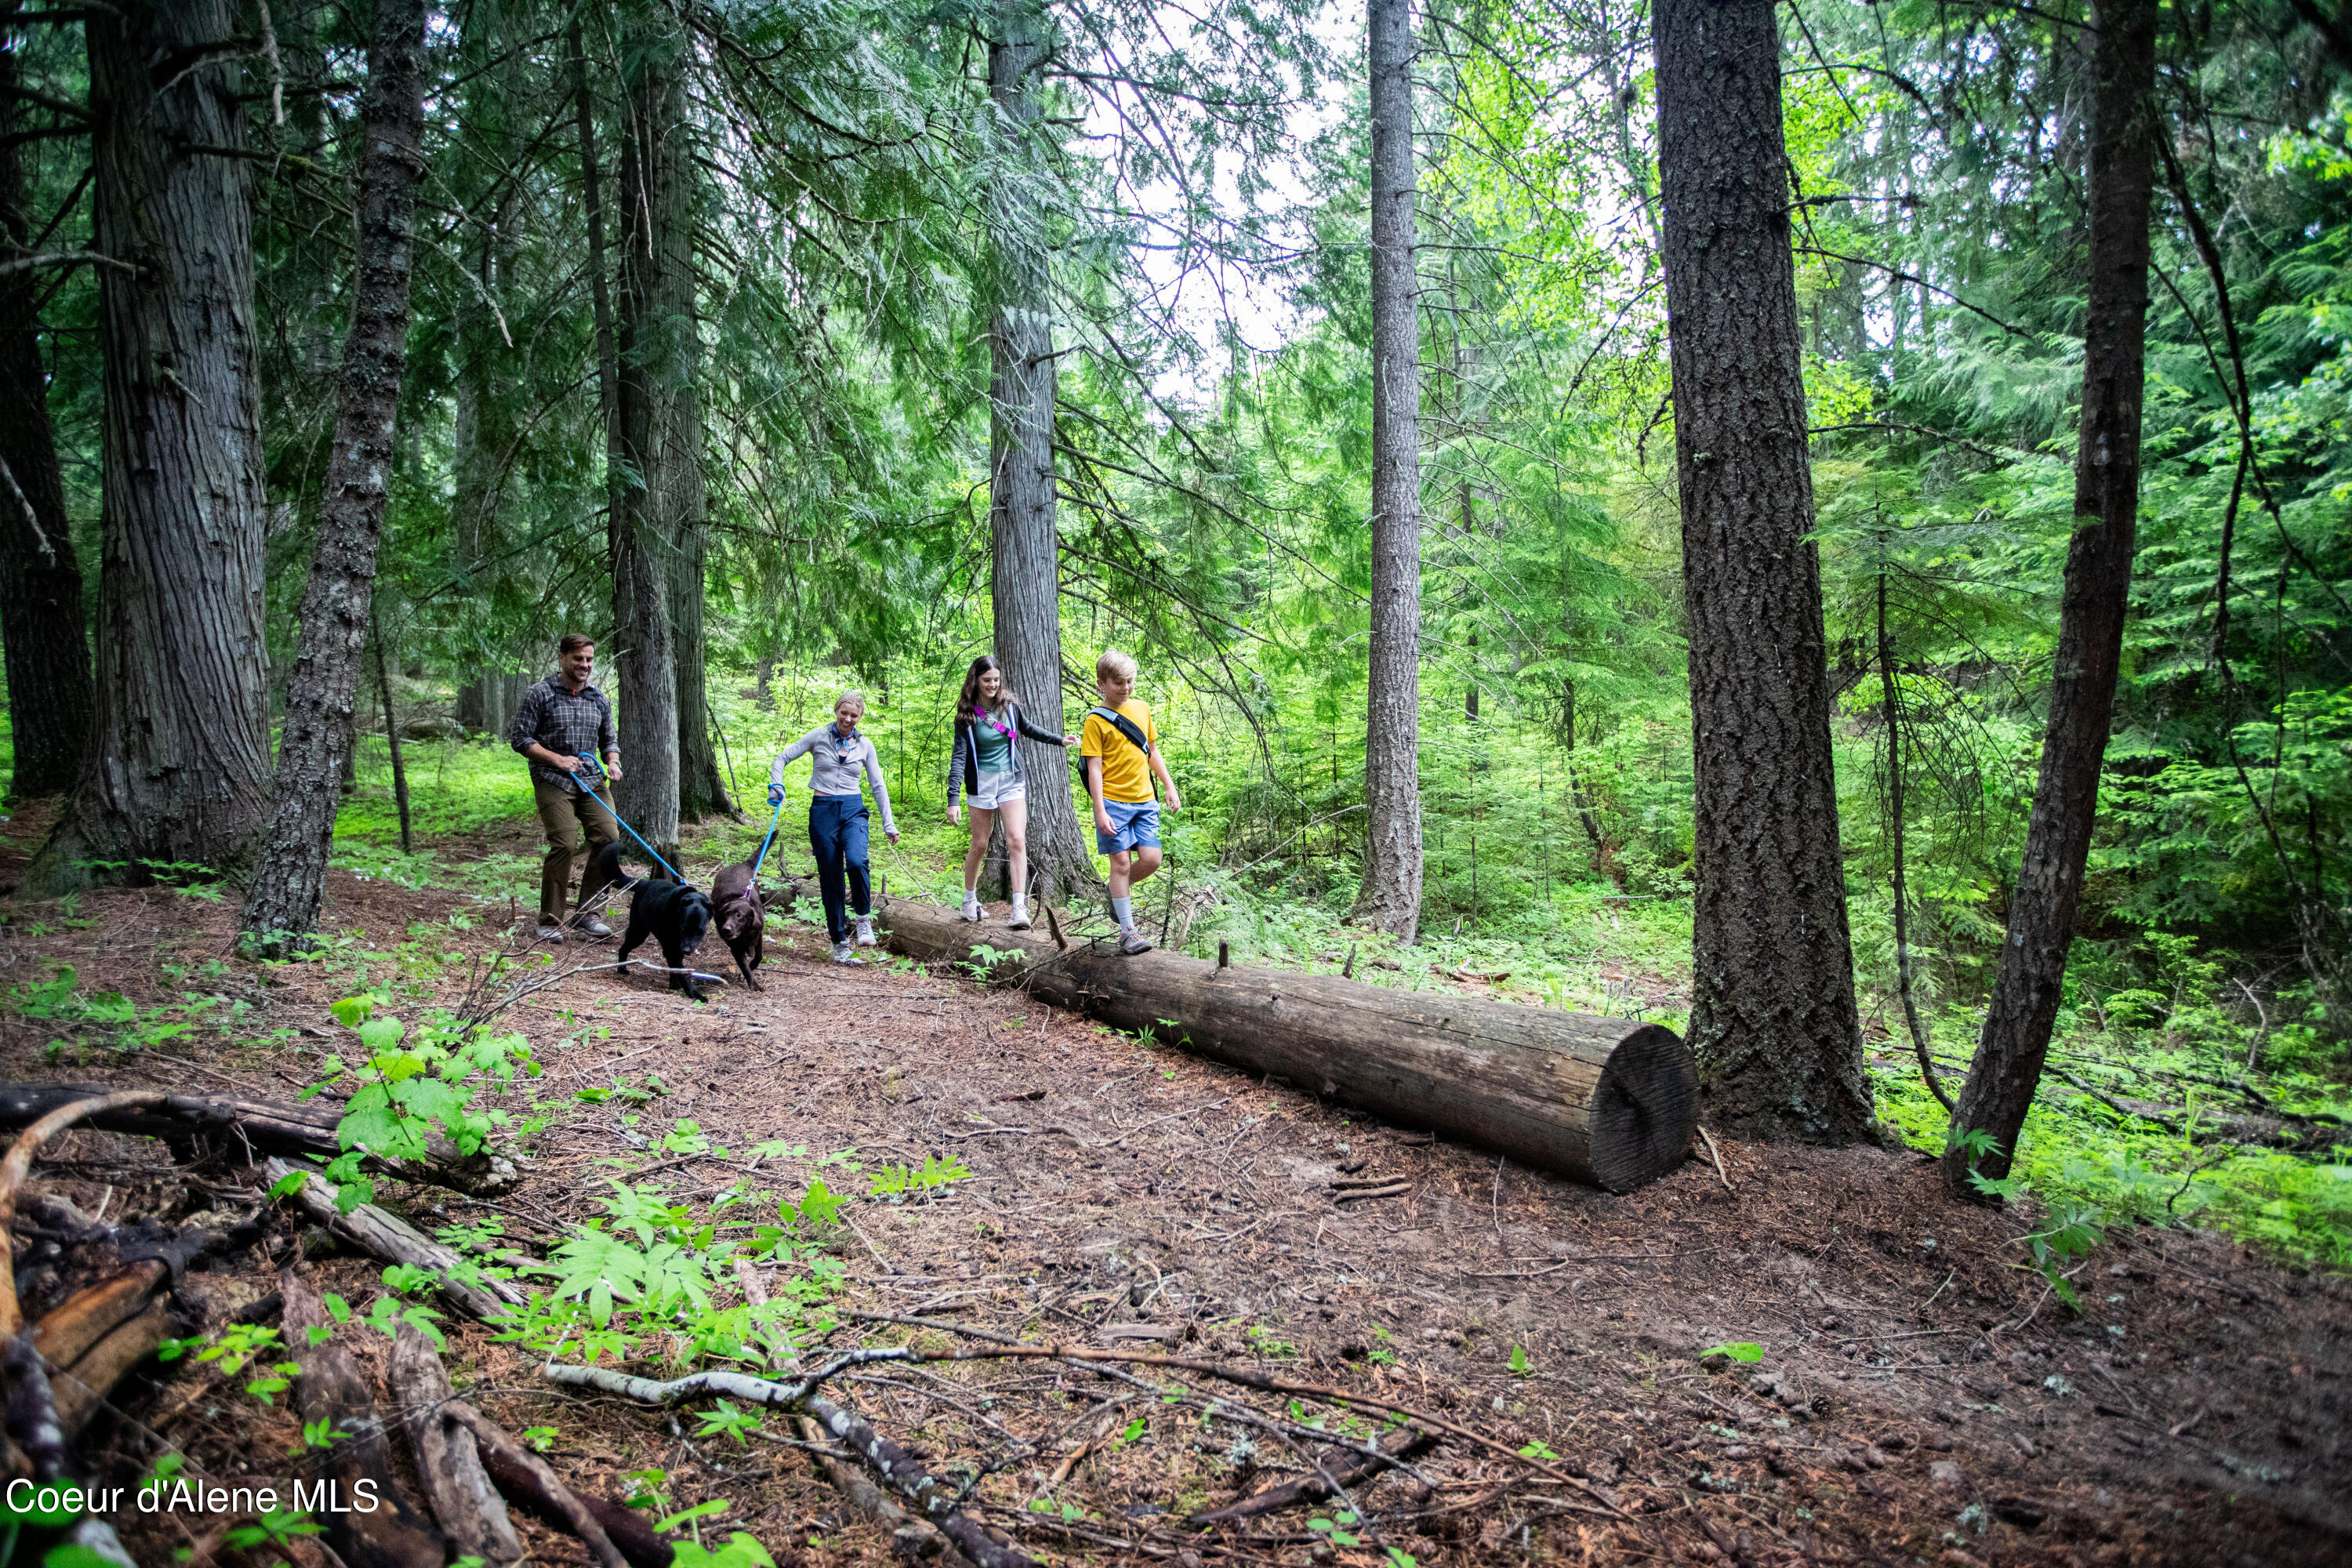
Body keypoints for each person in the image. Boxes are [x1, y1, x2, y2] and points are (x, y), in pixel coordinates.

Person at [946, 655, 1077, 931]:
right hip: (981, 783)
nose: (992, 685)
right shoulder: (966, 714)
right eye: (987, 680)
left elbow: (1028, 730)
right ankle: (969, 900)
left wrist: (1059, 740)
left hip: (1011, 781)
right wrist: (953, 799)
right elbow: (959, 757)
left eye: (996, 680)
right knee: (980, 844)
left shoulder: (1010, 707)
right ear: (976, 681)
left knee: (1016, 839)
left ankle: (1019, 908)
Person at [508, 633, 624, 944]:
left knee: (609, 839)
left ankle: (588, 913)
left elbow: (609, 741)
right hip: (552, 779)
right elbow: (520, 738)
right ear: (562, 658)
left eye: (588, 659)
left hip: (591, 781)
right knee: (565, 843)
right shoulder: (541, 693)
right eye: (578, 659)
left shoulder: (599, 698)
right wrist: (556, 759)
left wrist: (613, 762)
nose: (584, 665)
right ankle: (550, 920)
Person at [769, 689, 898, 965]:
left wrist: (889, 823)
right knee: (831, 879)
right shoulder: (818, 736)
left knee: (856, 860)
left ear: (860, 717)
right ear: (837, 711)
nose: (849, 719)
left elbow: (878, 785)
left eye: (854, 715)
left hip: (853, 809)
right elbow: (782, 758)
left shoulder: (865, 745)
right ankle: (840, 943)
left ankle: (863, 918)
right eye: (844, 713)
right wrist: (776, 784)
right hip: (823, 810)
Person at [1080, 648, 1181, 956]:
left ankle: (1114, 893)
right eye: (1119, 683)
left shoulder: (1141, 709)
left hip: (1145, 800)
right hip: (1113, 802)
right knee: (1121, 864)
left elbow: (1151, 750)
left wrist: (1169, 785)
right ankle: (1128, 932)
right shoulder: (1095, 722)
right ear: (1102, 683)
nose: (1126, 688)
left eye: (1130, 682)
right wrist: (1099, 810)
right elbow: (1094, 768)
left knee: (1152, 860)